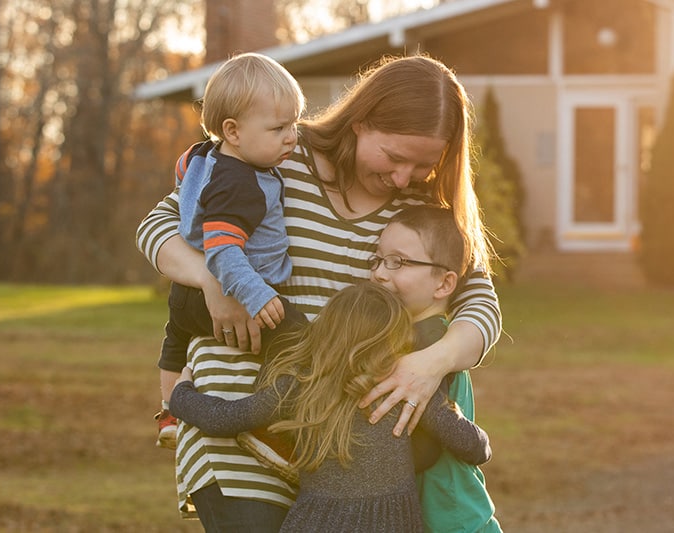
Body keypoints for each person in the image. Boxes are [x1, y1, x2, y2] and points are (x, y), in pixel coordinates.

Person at [136, 53, 502, 530]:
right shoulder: (277, 152)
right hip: (238, 418)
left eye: (423, 164)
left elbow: (481, 301)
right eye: (393, 157)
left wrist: (429, 364)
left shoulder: (420, 204)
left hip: (341, 456)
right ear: (360, 121)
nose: (403, 177)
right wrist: (215, 277)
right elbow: (158, 225)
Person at [169, 282, 492, 533]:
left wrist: (181, 393)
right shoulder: (400, 389)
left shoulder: (301, 385)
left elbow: (224, 418)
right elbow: (474, 449)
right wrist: (458, 416)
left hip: (312, 522)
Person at [154, 52, 307, 449]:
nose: (291, 136)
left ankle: (169, 413)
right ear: (233, 131)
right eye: (277, 128)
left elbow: (182, 172)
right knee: (299, 340)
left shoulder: (202, 155)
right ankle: (266, 423)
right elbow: (223, 249)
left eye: (293, 123)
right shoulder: (243, 186)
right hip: (232, 289)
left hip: (185, 294)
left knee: (174, 342)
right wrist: (255, 295)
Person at [370, 205, 501, 532]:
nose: (380, 274)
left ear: (444, 284)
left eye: (398, 262)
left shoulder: (429, 342)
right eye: (378, 259)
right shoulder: (418, 337)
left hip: (451, 518)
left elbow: (427, 447)